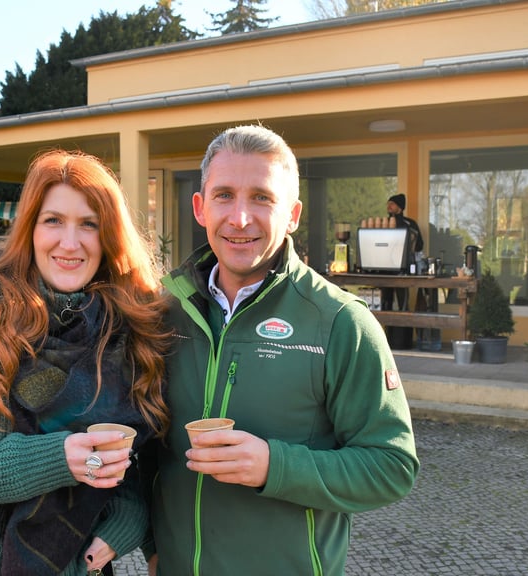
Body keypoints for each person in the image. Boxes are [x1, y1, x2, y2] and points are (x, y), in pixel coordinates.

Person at [146, 125, 419, 575]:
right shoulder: (161, 313)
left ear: (292, 214)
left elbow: (391, 466)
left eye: (262, 198)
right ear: (200, 207)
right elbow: (148, 450)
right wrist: (152, 546)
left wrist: (275, 466)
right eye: (224, 195)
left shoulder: (340, 322)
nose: (240, 218)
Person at [0, 149, 173, 576]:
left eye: (89, 224)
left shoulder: (124, 332)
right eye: (53, 220)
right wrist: (57, 459)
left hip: (76, 565)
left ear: (109, 237)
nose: (70, 242)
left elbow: (133, 459)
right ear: (29, 229)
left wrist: (124, 523)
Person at [380, 193, 425, 315]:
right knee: (384, 303)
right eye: (388, 204)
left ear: (400, 207)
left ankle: (403, 327)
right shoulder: (382, 223)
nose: (389, 206)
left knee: (403, 304)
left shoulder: (409, 224)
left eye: (392, 204)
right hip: (384, 269)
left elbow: (419, 245)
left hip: (402, 269)